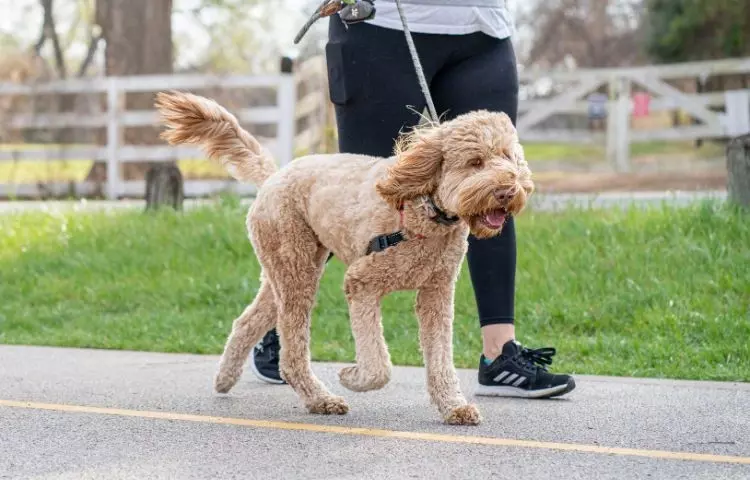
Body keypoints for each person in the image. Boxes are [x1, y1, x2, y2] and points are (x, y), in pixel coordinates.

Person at [251, 0, 576, 398]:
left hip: (482, 28)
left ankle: (499, 354)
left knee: (491, 192)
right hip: (380, 23)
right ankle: (277, 329)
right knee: (360, 201)